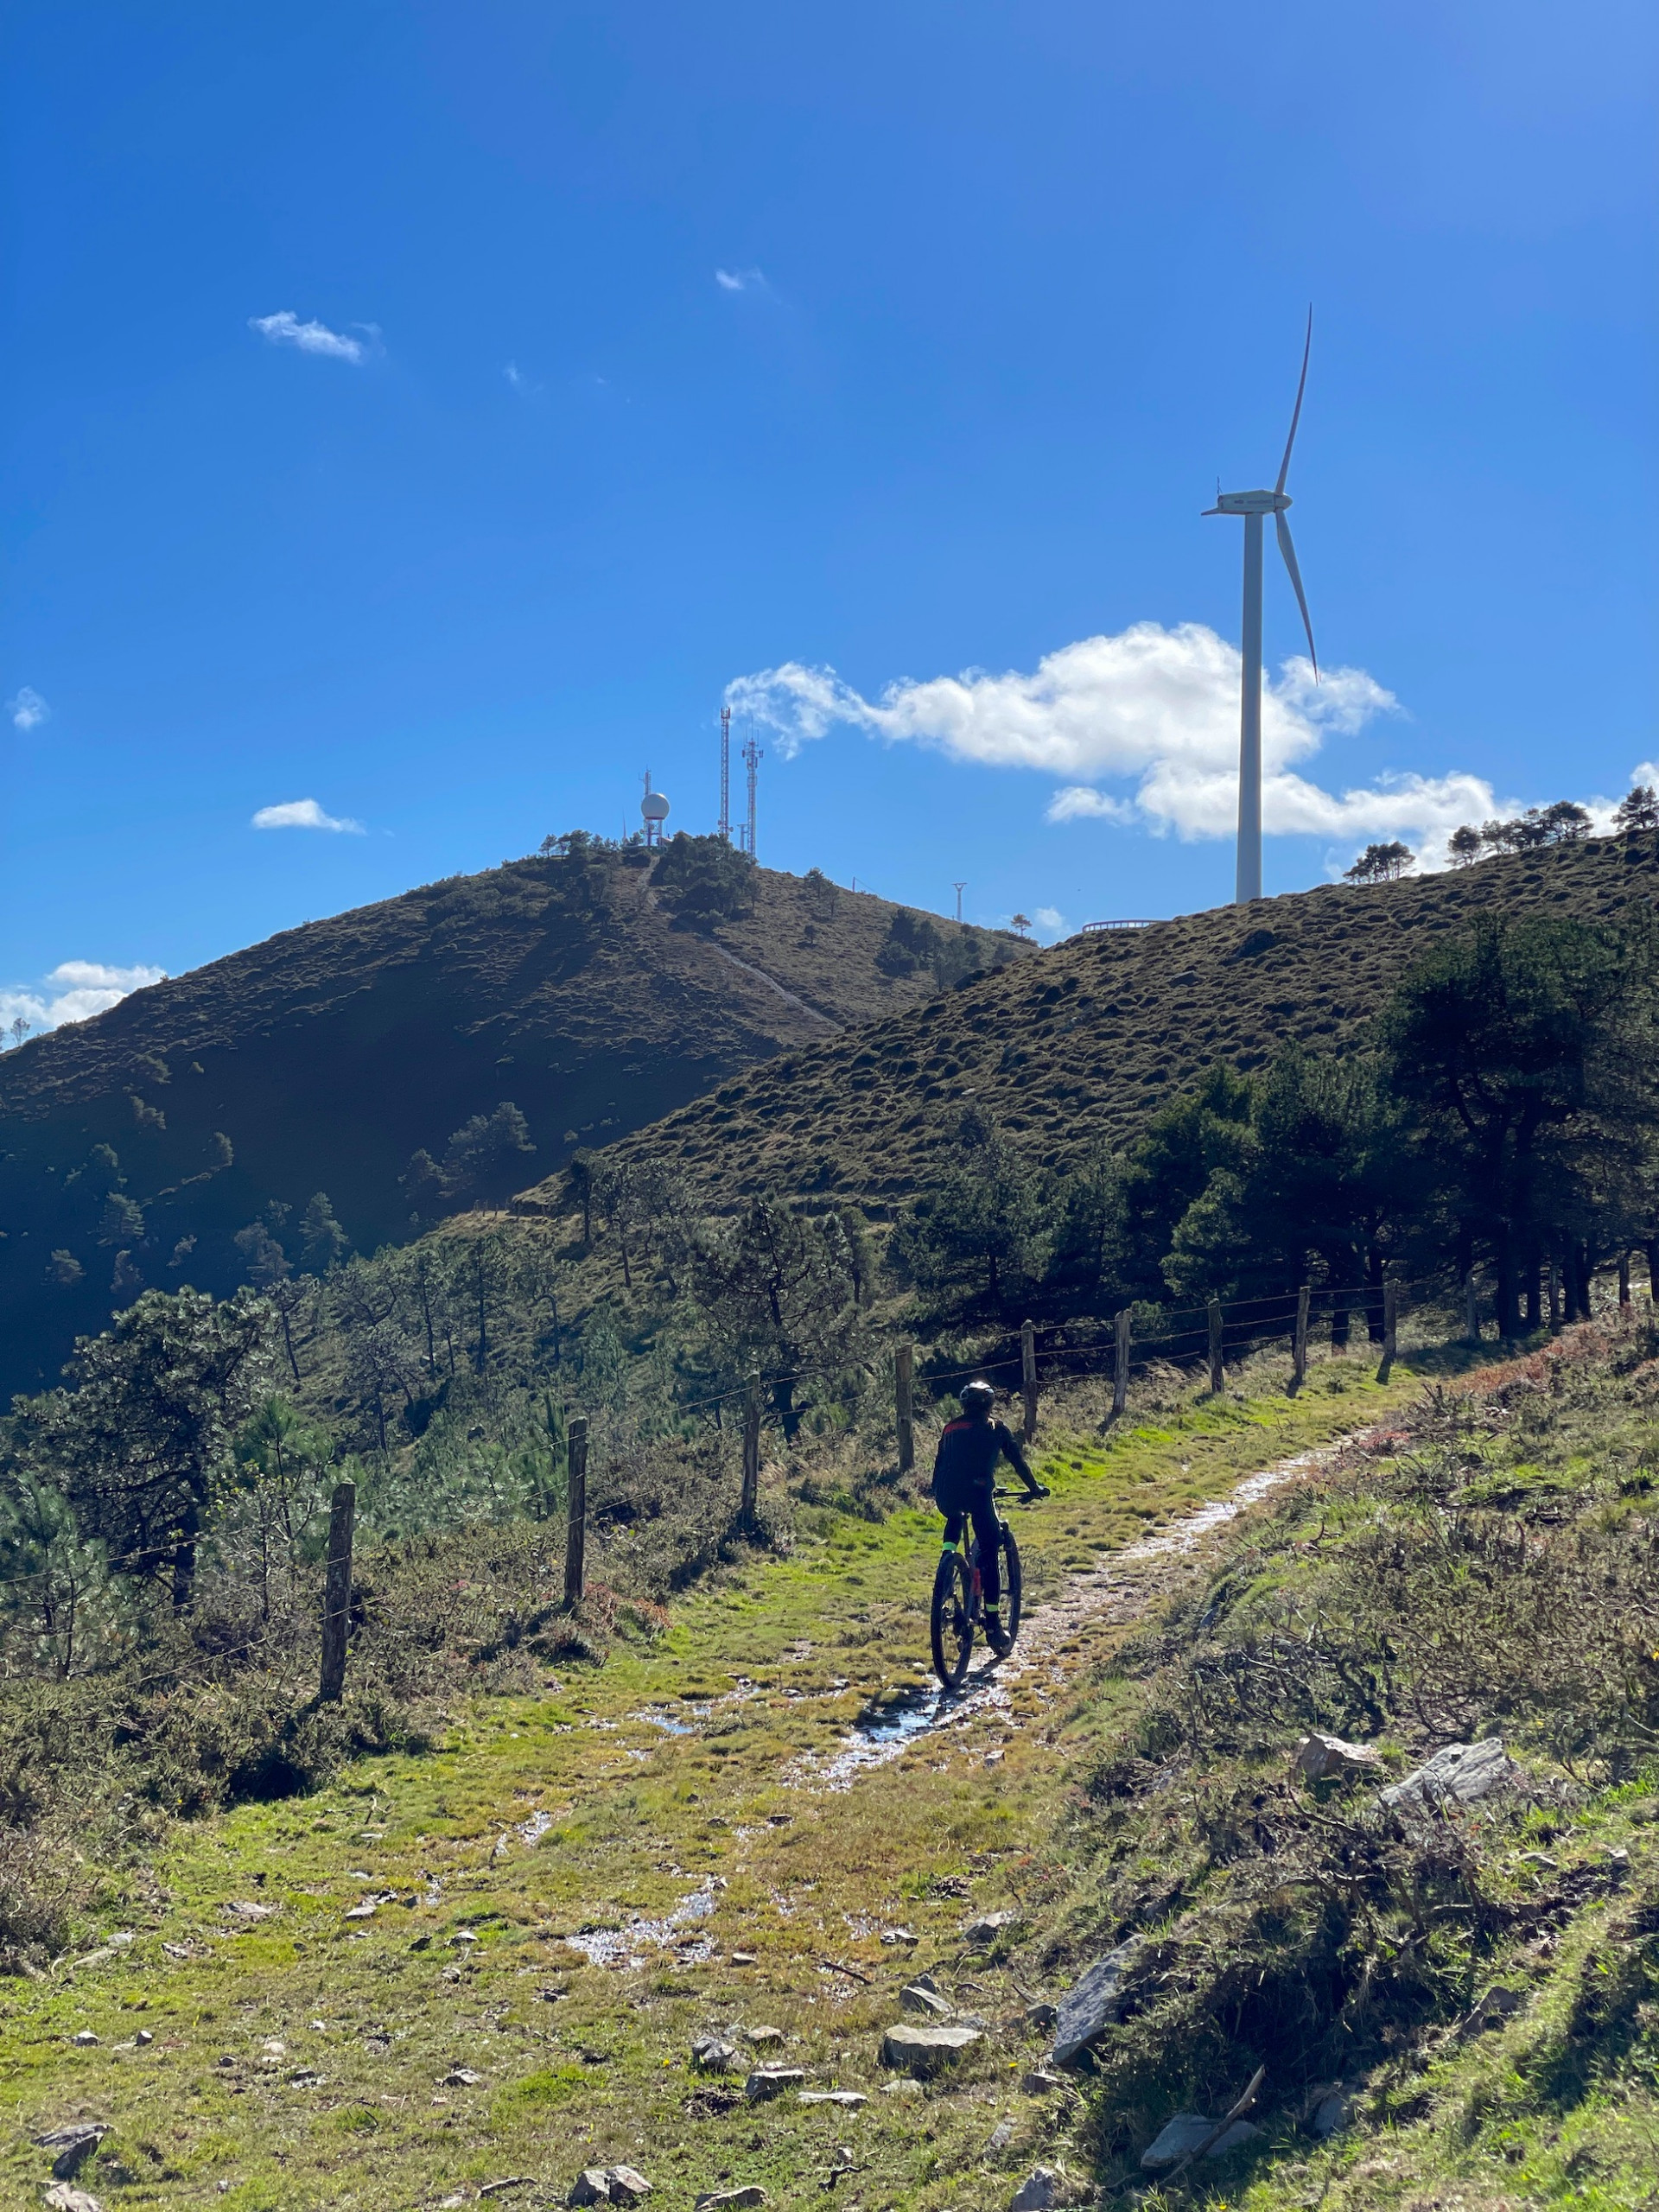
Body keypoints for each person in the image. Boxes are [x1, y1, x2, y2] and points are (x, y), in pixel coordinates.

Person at [931, 1378, 1048, 1655]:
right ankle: (994, 1623)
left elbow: (940, 1465)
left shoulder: (950, 1428)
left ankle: (947, 1561)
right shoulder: (996, 1428)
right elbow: (1017, 1461)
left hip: (946, 1496)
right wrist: (1034, 1488)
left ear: (963, 1404)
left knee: (955, 1517)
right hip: (978, 1493)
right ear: (989, 1404)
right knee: (989, 1551)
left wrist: (936, 1492)